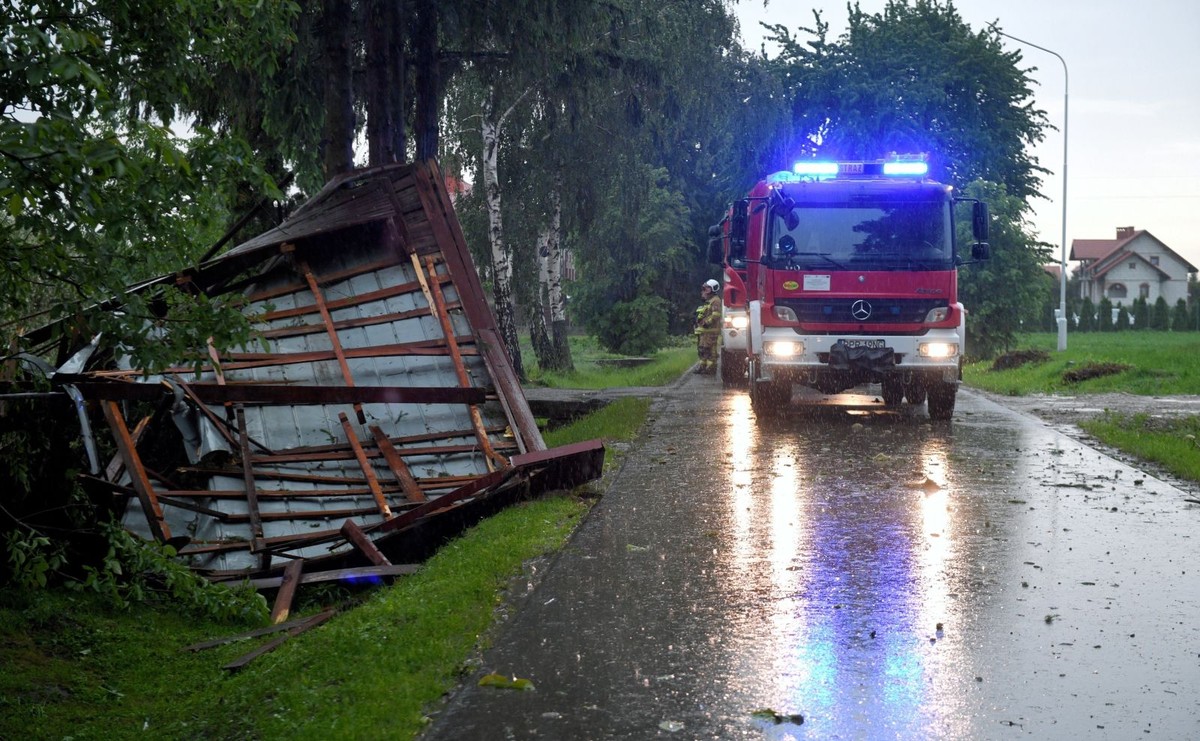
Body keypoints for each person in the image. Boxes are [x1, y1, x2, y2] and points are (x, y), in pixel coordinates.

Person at [693, 279, 722, 374]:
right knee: (702, 349)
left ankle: (711, 368)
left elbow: (716, 315)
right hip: (705, 331)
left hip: (711, 331)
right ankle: (703, 366)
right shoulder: (708, 301)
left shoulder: (716, 301)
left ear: (713, 289)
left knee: (710, 350)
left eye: (707, 288)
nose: (704, 290)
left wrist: (706, 323)